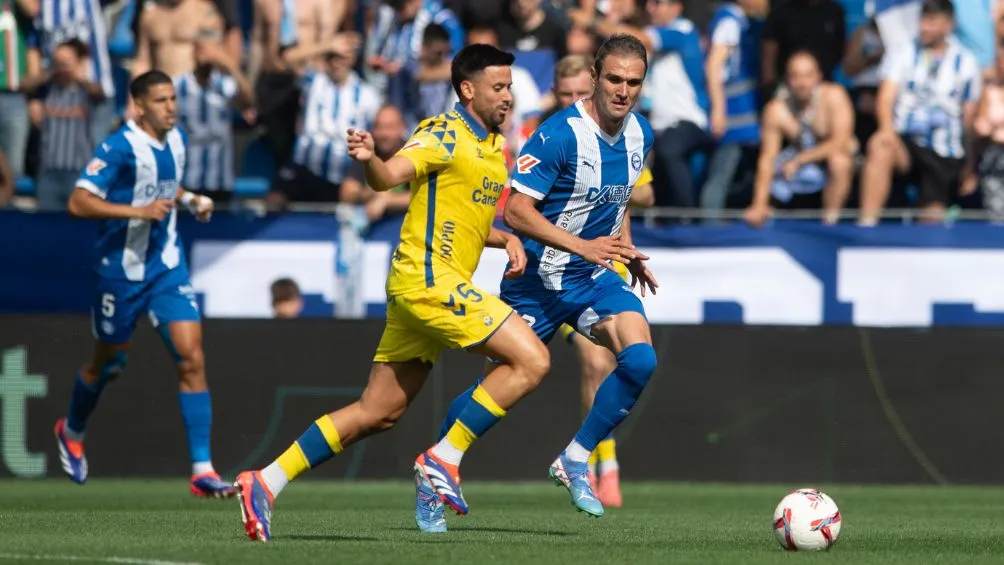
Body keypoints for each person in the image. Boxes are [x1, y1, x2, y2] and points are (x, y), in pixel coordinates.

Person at [233, 44, 552, 542]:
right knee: (531, 360)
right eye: (498, 87)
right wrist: (370, 160)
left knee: (377, 412)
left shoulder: (492, 147)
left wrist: (507, 236)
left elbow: (465, 221)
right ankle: (442, 458)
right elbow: (388, 178)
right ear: (467, 90)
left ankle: (264, 481)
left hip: (427, 287)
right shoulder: (442, 132)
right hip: (428, 281)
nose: (508, 96)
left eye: (509, 86)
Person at [426, 34, 658, 530]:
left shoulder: (641, 134)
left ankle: (575, 458)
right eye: (614, 79)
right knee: (494, 390)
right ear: (595, 78)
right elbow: (515, 211)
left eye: (633, 82)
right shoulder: (558, 135)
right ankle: (437, 468)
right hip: (536, 280)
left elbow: (614, 204)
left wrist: (626, 249)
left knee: (640, 359)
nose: (623, 90)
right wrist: (584, 246)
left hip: (593, 275)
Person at [53, 71, 235, 498]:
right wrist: (136, 212)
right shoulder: (117, 147)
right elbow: (78, 201)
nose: (170, 107)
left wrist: (190, 200)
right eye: (160, 100)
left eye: (172, 98)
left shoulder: (177, 138)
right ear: (139, 106)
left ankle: (202, 470)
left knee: (192, 357)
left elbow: (167, 186)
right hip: (120, 270)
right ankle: (72, 429)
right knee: (108, 365)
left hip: (166, 267)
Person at [858, 0, 982, 225]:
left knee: (930, 222)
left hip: (944, 151)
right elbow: (885, 98)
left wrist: (969, 167)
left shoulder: (966, 63)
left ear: (949, 24)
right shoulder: (903, 52)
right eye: (923, 20)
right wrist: (887, 132)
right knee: (880, 146)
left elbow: (969, 120)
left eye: (932, 21)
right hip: (905, 143)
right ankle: (866, 226)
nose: (924, 27)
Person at [745, 51, 856, 227]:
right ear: (787, 79)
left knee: (839, 161)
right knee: (776, 173)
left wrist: (800, 160)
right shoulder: (777, 110)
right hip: (799, 166)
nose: (802, 83)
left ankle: (830, 223)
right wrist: (759, 203)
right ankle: (770, 219)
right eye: (795, 76)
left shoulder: (834, 96)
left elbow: (840, 142)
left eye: (807, 76)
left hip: (832, 161)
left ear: (818, 76)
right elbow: (767, 158)